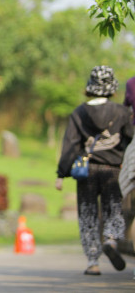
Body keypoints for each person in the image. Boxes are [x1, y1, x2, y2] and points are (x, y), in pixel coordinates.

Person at [55, 65, 134, 276]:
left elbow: (70, 144)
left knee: (88, 213)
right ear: (112, 88)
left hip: (86, 171)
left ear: (89, 87)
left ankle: (93, 262)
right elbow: (128, 140)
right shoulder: (122, 112)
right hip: (113, 170)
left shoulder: (79, 112)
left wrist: (61, 174)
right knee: (113, 208)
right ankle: (110, 239)